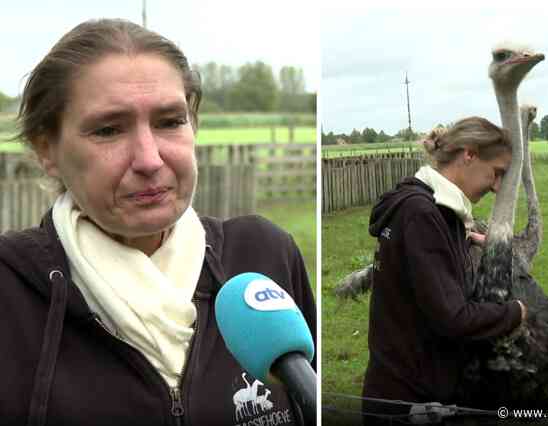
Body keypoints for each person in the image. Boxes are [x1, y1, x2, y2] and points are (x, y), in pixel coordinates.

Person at [0, 19, 315, 426]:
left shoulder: (263, 257)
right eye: (108, 129)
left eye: (169, 122)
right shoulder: (10, 290)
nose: (149, 159)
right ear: (48, 149)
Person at [361, 117, 527, 425]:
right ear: (469, 155)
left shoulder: (427, 209)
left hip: (401, 387)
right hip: (408, 402)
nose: (497, 186)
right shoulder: (422, 215)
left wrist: (465, 240)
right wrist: (513, 313)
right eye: (497, 172)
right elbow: (453, 317)